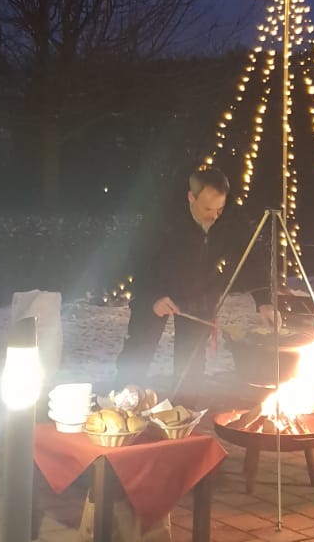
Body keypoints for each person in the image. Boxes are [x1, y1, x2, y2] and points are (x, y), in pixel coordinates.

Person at [115, 167, 276, 392]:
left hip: (200, 289)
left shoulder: (231, 217)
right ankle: (125, 397)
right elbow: (139, 258)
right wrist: (154, 297)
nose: (214, 215)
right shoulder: (163, 216)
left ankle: (185, 405)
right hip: (157, 285)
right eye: (208, 208)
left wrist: (264, 300)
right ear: (191, 197)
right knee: (139, 347)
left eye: (219, 208)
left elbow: (250, 257)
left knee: (190, 362)